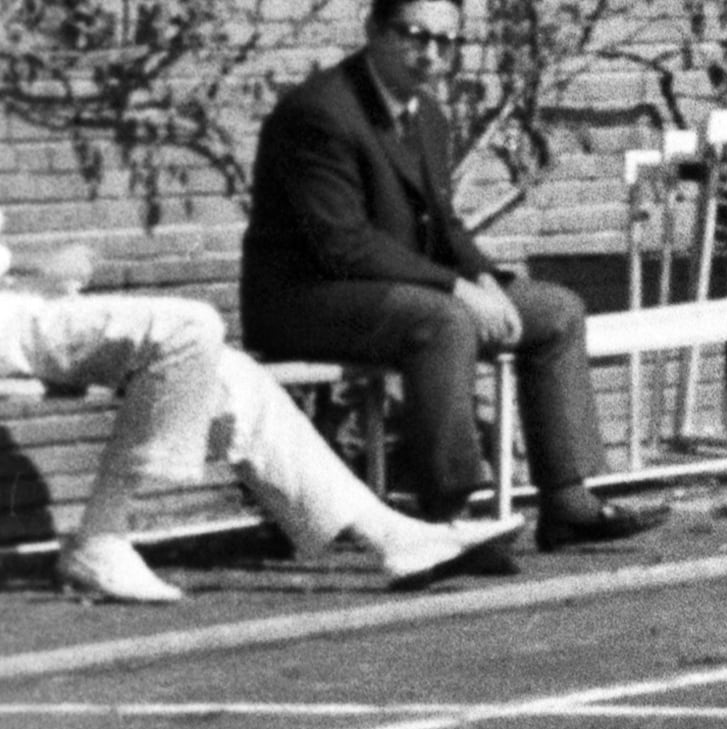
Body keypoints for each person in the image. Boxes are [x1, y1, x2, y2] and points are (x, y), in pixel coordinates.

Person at [238, 0, 668, 547]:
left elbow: (443, 226)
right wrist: (458, 290)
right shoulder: (320, 115)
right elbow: (344, 246)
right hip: (306, 300)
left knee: (556, 310)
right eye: (413, 35)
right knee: (442, 319)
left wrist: (485, 279)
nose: (429, 53)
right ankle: (449, 516)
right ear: (373, 30)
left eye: (445, 41)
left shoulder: (428, 116)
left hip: (389, 290)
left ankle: (567, 501)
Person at [5, 205, 525, 603]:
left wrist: (33, 271)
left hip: (22, 305)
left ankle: (394, 539)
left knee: (235, 377)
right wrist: (36, 265)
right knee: (191, 326)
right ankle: (102, 535)